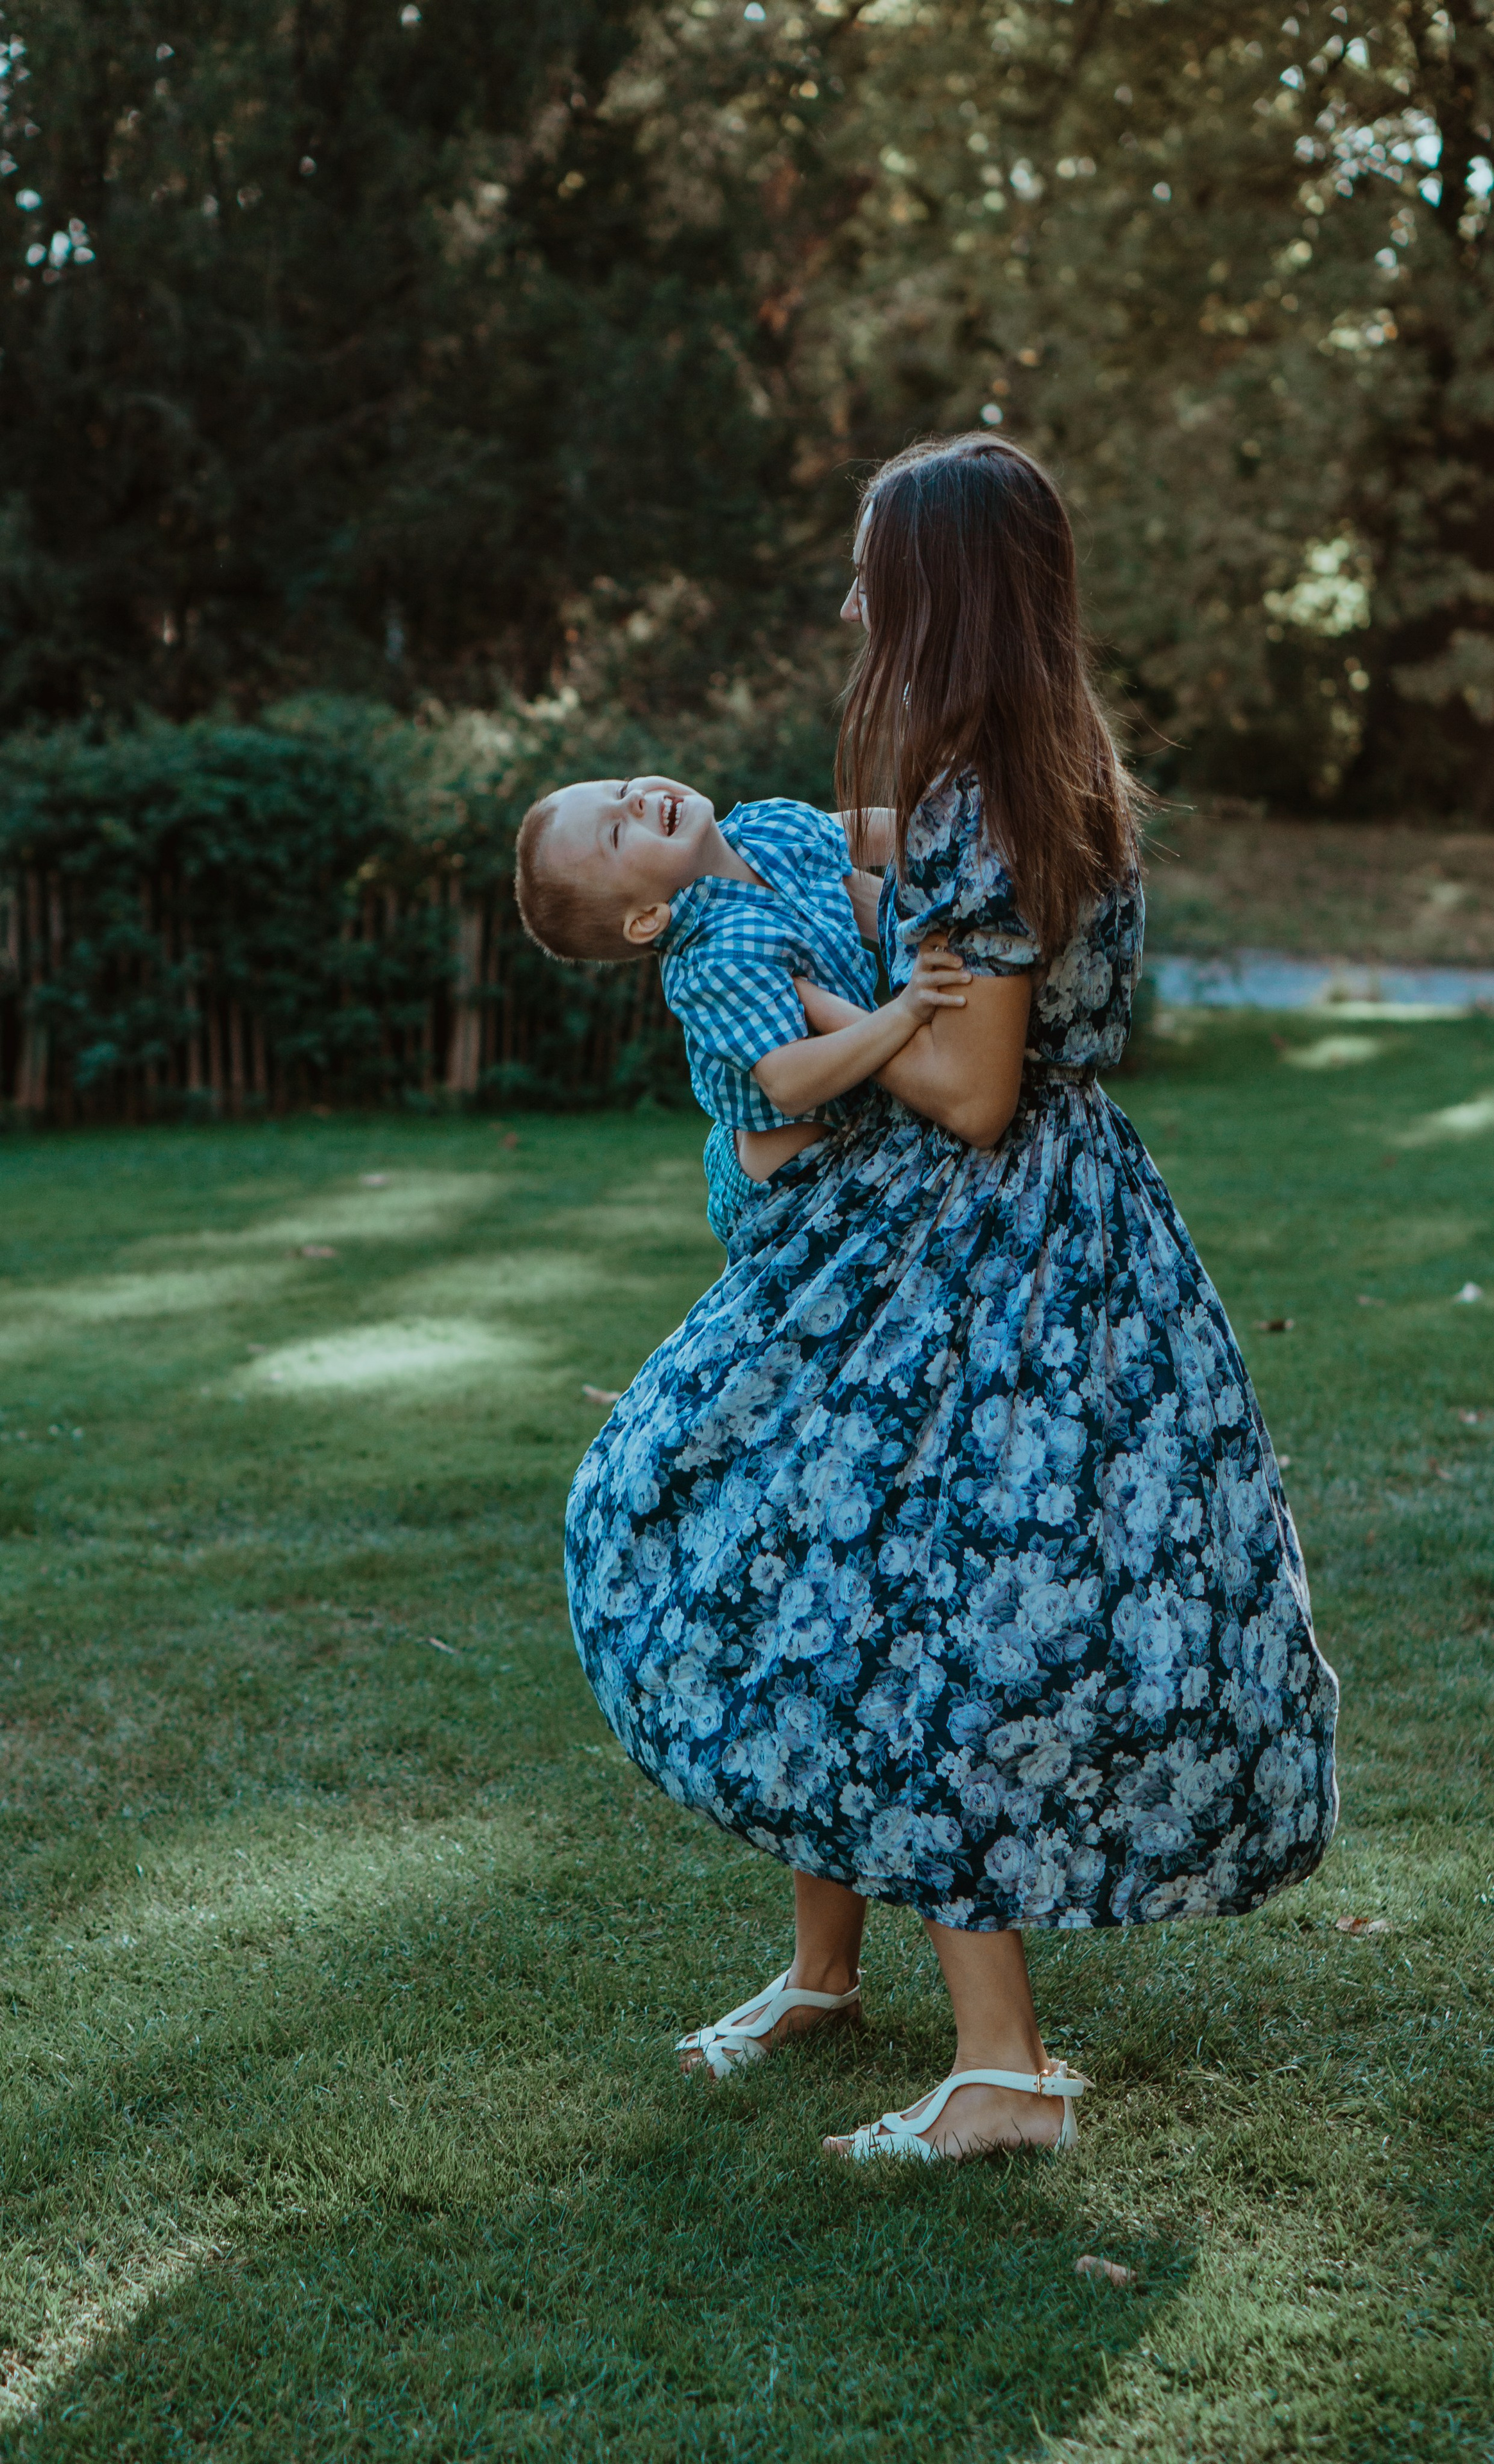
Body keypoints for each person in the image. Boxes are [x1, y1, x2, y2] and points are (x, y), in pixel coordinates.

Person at [562, 434, 1340, 2162]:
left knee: (909, 1608)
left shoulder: (985, 801)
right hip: (987, 1226)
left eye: (871, 576)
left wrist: (870, 1018)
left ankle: (1001, 2072)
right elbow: (907, 923)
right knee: (802, 1546)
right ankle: (826, 1978)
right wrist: (837, 930)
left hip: (987, 1246)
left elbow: (980, 1091)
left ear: (940, 595)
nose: (851, 602)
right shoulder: (1016, 769)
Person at [514, 778, 968, 1242]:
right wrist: (903, 1012)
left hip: (858, 1133)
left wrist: (963, 834)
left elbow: (871, 834)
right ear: (648, 917)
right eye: (615, 832)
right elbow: (790, 1083)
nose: (635, 800)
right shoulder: (716, 959)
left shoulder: (766, 827)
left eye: (622, 788)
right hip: (790, 1194)